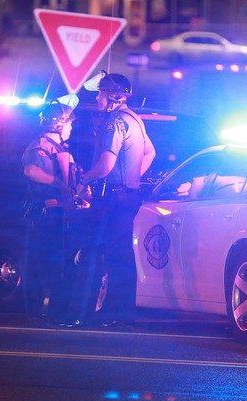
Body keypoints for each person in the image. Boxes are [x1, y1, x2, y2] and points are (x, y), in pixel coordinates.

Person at [74, 71, 156, 328]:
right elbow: (151, 152)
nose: (97, 98)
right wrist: (132, 178)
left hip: (112, 199)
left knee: (109, 254)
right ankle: (122, 312)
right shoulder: (135, 118)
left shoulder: (114, 122)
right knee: (122, 255)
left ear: (112, 97)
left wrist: (83, 180)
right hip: (128, 197)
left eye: (100, 93)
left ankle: (111, 312)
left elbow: (106, 164)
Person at [21, 95, 79, 325]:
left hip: (59, 214)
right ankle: (35, 311)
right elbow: (31, 171)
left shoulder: (60, 148)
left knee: (60, 264)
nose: (71, 127)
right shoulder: (40, 145)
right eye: (70, 123)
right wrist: (57, 183)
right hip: (44, 215)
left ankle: (57, 312)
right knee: (39, 264)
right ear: (58, 123)